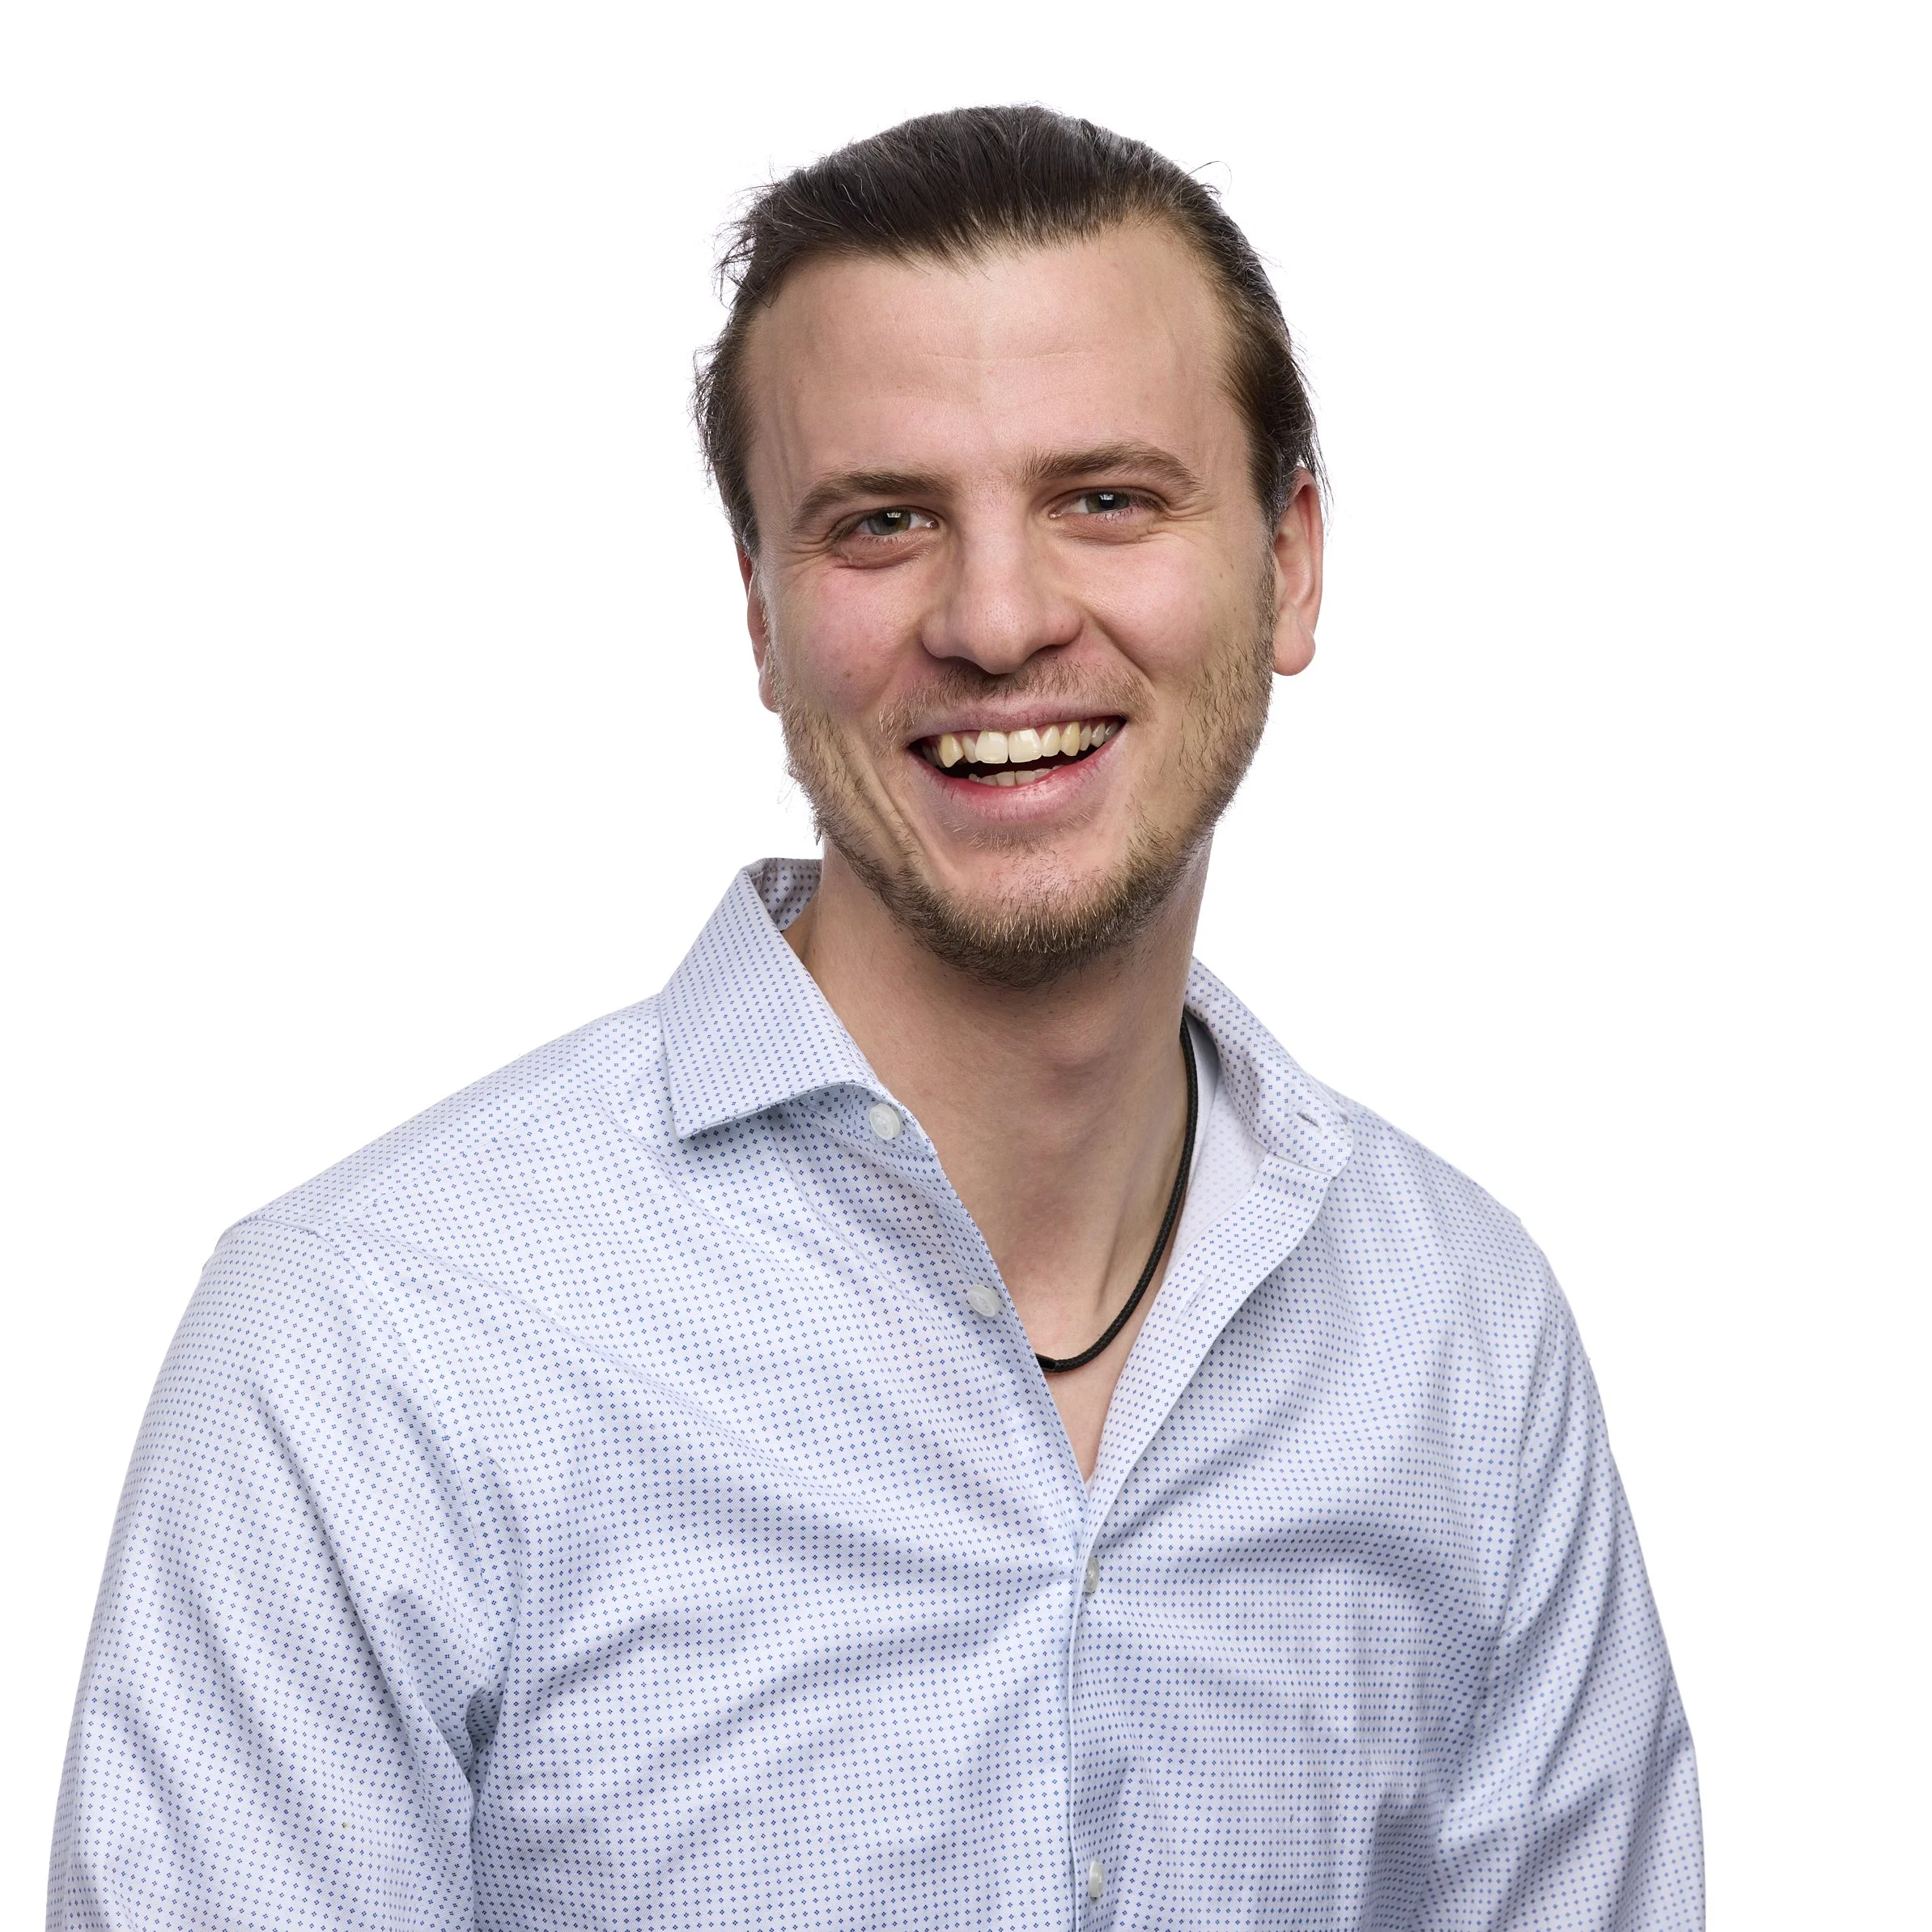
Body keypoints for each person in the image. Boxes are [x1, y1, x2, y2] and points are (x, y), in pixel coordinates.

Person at [48, 107, 1702, 1930]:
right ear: (758, 614)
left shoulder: (1458, 1334)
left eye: (1105, 497)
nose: (995, 620)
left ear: (1288, 561)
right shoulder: (370, 1356)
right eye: (882, 522)